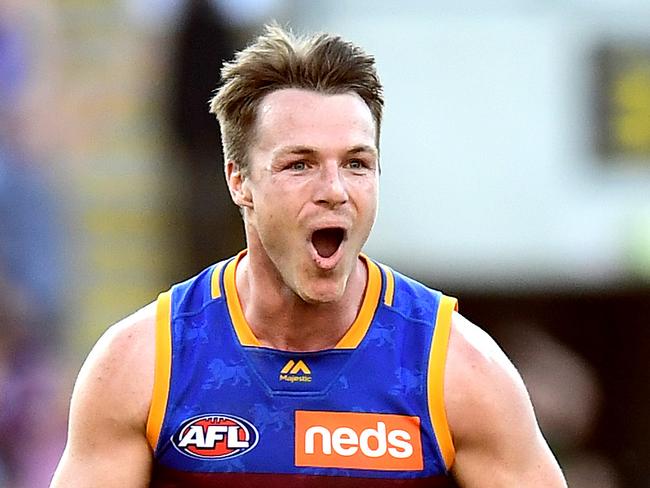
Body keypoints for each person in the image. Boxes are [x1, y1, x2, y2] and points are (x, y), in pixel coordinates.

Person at [51, 24, 567, 487]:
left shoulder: (457, 369)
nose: (334, 190)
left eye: (357, 164)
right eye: (300, 165)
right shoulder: (144, 364)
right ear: (239, 180)